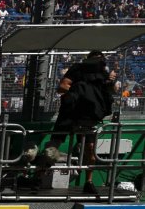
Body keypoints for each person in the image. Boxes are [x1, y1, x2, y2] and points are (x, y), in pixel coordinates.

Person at [45, 51, 119, 195]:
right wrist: (80, 91)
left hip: (88, 115)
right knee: (54, 145)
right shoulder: (78, 69)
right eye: (95, 60)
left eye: (100, 60)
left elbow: (112, 91)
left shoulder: (103, 73)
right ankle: (39, 175)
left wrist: (110, 81)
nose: (97, 62)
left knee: (90, 149)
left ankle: (88, 182)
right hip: (70, 112)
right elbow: (62, 87)